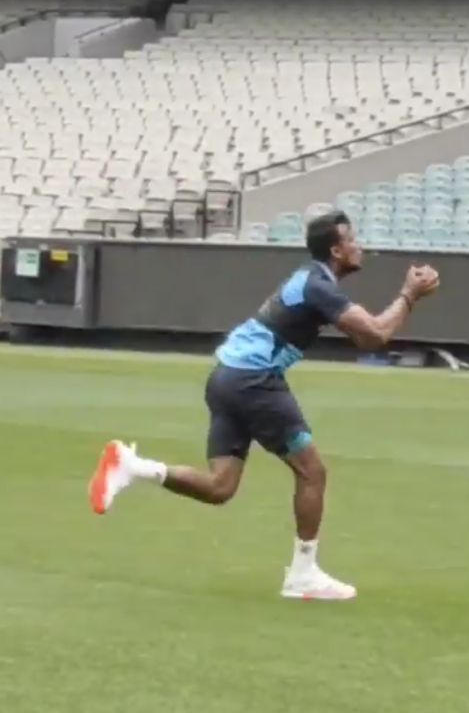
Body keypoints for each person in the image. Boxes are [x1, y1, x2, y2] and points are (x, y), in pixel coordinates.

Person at [87, 210, 440, 601]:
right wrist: (409, 295)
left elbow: (363, 337)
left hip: (226, 377)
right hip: (254, 380)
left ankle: (134, 466)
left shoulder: (310, 279)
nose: (360, 246)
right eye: (352, 239)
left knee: (220, 487)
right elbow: (373, 336)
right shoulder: (317, 285)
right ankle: (303, 575)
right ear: (337, 250)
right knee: (312, 472)